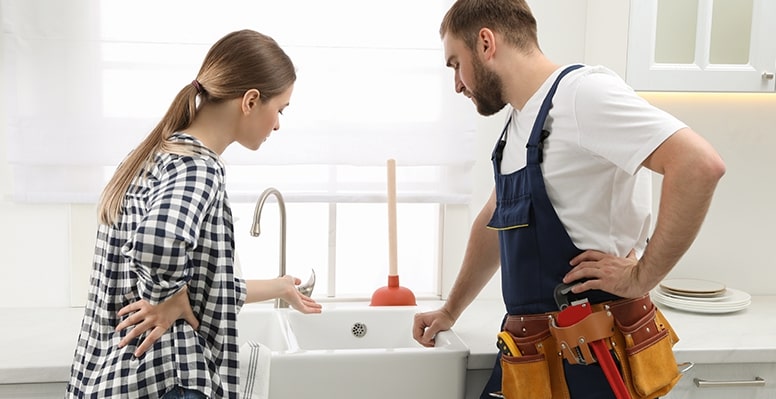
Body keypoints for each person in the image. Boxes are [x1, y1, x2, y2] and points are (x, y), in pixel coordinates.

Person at [412, 1, 725, 398]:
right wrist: (450, 310)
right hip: (535, 359)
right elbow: (496, 217)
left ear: (486, 43)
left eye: (456, 63)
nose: (457, 82)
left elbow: (699, 164)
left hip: (594, 358)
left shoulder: (583, 94)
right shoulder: (520, 123)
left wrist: (642, 276)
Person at [65, 29, 322, 399]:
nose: (278, 124)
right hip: (166, 376)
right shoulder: (199, 168)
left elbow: (203, 290)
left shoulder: (152, 156)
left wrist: (280, 287)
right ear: (250, 101)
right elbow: (158, 244)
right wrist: (167, 296)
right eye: (279, 109)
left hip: (115, 378)